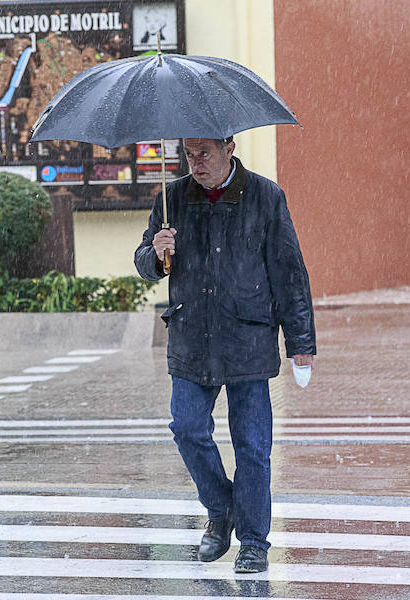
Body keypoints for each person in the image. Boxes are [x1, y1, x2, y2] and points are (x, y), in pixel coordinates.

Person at [134, 137, 316, 573]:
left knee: (253, 447)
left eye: (204, 154)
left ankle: (254, 542)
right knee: (187, 428)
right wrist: (156, 255)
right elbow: (144, 262)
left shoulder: (265, 197)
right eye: (188, 154)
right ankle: (222, 508)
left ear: (229, 147)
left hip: (248, 337)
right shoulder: (171, 197)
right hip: (192, 336)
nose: (195, 163)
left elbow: (289, 272)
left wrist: (301, 344)